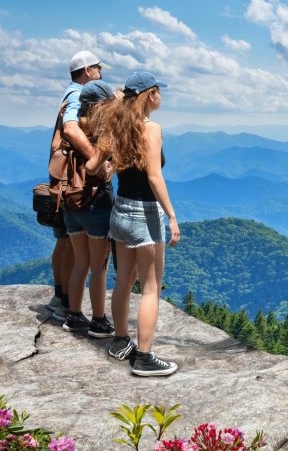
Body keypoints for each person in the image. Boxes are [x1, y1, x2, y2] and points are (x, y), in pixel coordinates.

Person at [86, 71, 179, 377]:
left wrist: (110, 164)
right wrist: (172, 216)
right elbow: (154, 176)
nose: (161, 97)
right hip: (145, 214)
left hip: (120, 211)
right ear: (149, 95)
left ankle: (120, 340)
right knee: (150, 289)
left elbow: (91, 166)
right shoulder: (151, 129)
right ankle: (144, 357)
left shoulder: (116, 126)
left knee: (123, 281)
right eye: (158, 92)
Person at [46, 51, 103, 318]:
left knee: (64, 239)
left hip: (60, 178)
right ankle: (67, 302)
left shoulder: (68, 93)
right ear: (87, 71)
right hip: (74, 181)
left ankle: (60, 296)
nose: (101, 73)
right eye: (98, 68)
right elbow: (70, 128)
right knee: (71, 242)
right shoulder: (79, 95)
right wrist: (96, 158)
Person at [60, 80, 118, 338]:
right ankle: (98, 321)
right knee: (99, 267)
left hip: (70, 201)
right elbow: (104, 172)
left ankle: (73, 315)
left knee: (80, 263)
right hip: (96, 202)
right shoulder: (101, 130)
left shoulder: (72, 128)